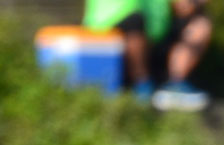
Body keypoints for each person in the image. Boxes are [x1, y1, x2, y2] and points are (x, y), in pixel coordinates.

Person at [82, 0, 211, 111]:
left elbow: (183, 7)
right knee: (134, 20)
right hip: (108, 37)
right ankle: (142, 86)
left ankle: (174, 84)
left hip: (154, 40)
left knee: (200, 24)